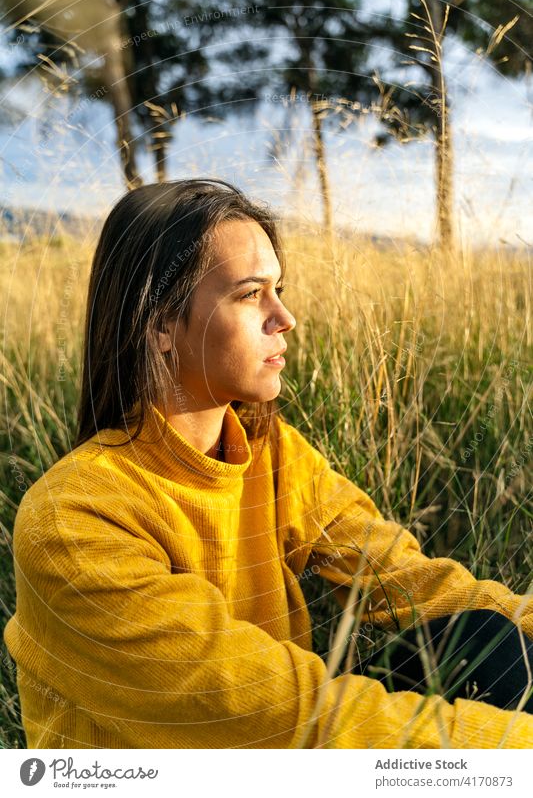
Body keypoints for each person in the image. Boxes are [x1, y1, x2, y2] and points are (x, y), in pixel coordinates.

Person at [4, 178, 532, 750]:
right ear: (158, 324)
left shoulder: (271, 455)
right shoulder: (74, 520)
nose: (285, 318)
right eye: (251, 293)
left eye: (278, 289)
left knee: (490, 642)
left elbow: (406, 580)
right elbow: (270, 717)